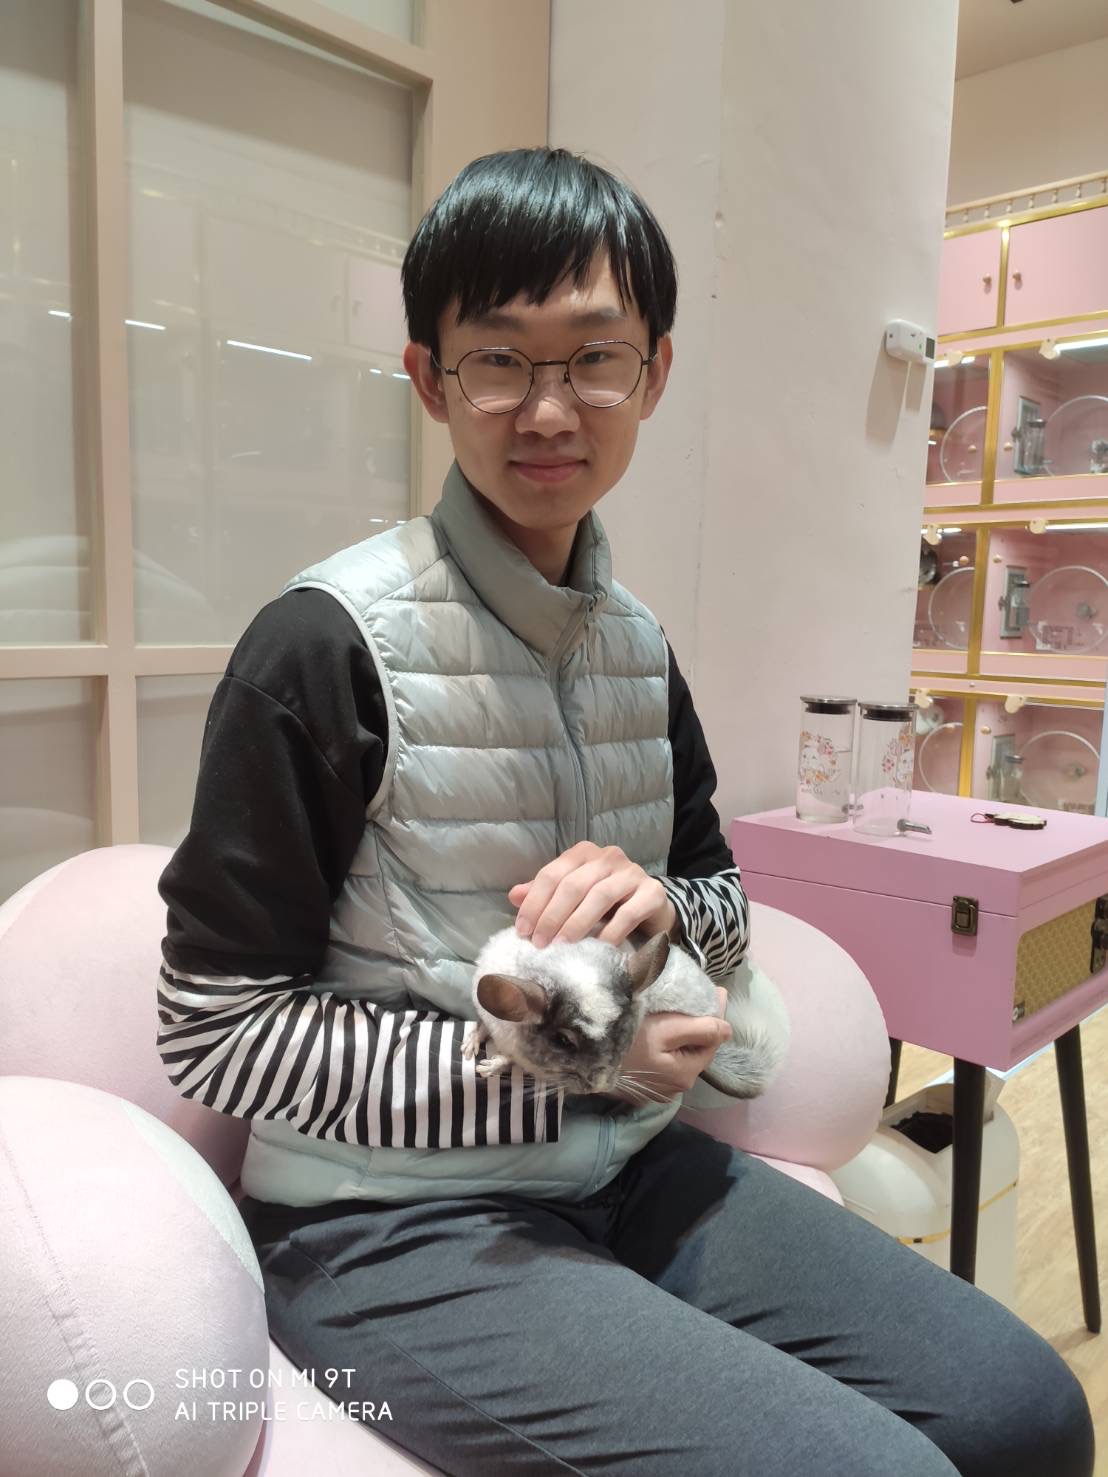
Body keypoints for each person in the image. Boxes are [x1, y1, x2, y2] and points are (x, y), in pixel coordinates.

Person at [157, 148, 1094, 1477]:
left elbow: (721, 904)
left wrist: (660, 918)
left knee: (1030, 1409)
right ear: (430, 377)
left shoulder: (638, 648)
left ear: (653, 374)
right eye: (499, 359)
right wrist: (572, 1069)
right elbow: (215, 1028)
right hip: (385, 1226)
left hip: (632, 1173)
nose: (549, 409)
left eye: (595, 357)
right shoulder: (322, 645)